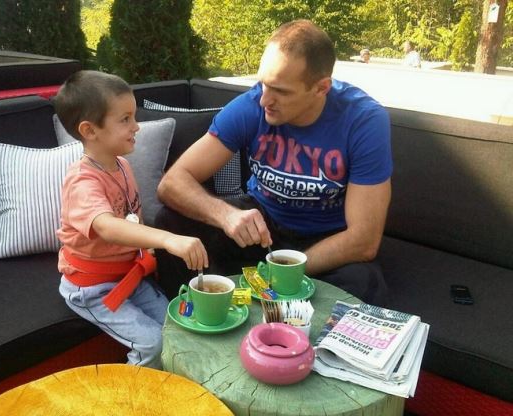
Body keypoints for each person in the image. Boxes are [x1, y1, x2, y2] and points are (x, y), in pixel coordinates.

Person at [155, 20, 392, 306]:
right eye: (263, 84)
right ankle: (196, 316)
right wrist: (226, 215)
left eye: (281, 91)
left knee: (363, 283)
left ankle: (273, 316)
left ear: (321, 88)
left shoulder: (363, 120)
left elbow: (364, 239)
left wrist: (283, 271)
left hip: (326, 239)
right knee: (170, 223)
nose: (265, 99)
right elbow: (172, 184)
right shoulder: (251, 105)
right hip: (263, 226)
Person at [54, 70, 208, 369]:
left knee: (177, 326)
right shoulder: (82, 181)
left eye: (133, 117)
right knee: (152, 344)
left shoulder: (122, 165)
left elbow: (130, 217)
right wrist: (168, 239)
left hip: (129, 277)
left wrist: (146, 249)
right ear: (90, 130)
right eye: (125, 119)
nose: (136, 126)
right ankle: (133, 393)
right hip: (92, 289)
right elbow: (107, 226)